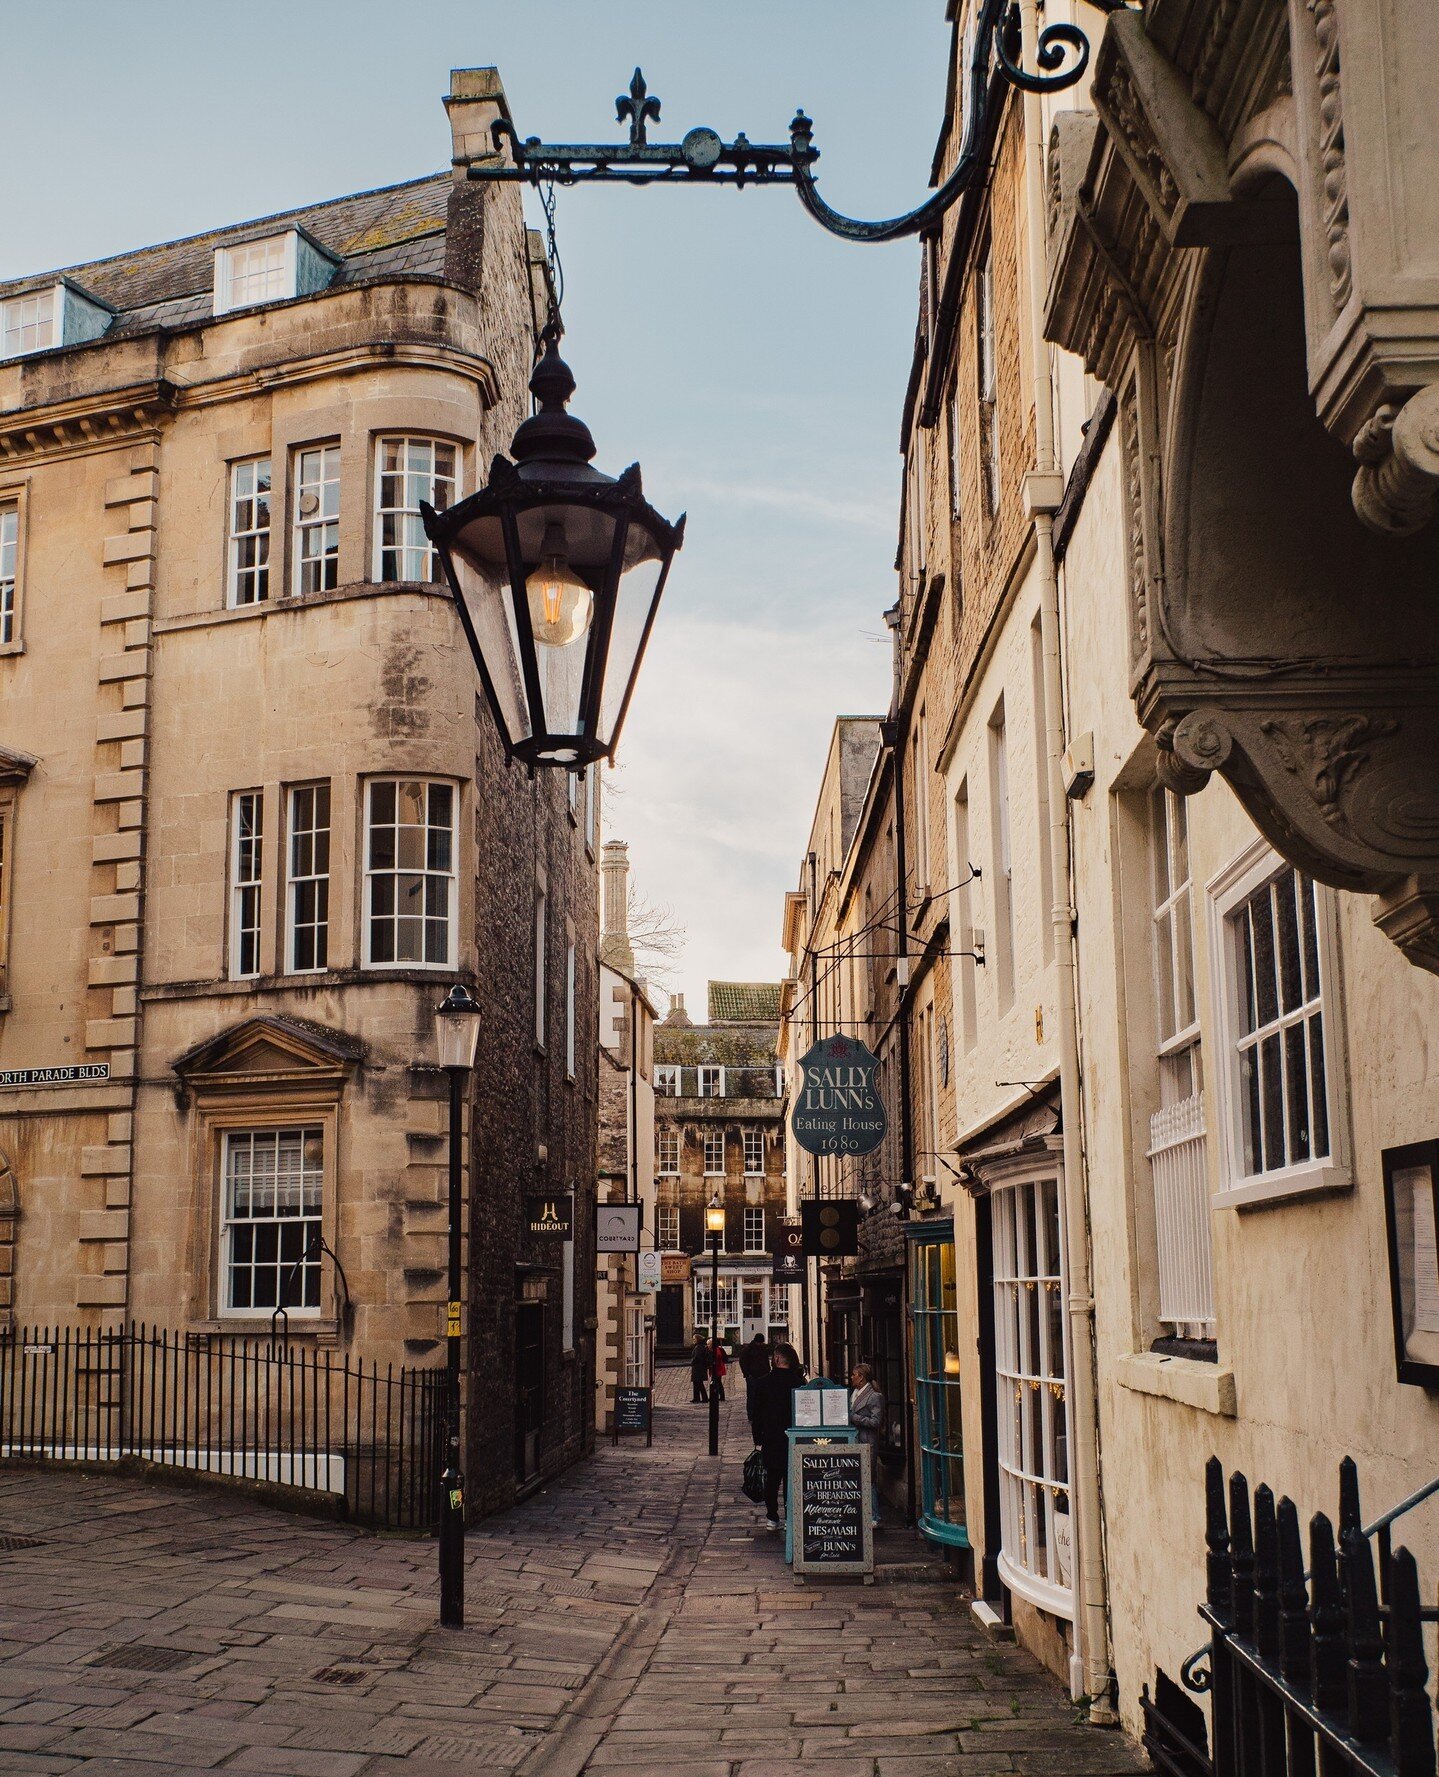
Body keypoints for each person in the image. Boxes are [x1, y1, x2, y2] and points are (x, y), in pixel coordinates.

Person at [750, 1341, 806, 1530]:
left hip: (772, 1438)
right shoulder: (799, 1383)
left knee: (772, 1481)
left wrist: (757, 1440)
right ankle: (790, 1516)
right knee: (793, 1479)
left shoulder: (763, 1383)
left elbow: (756, 1416)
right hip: (795, 1438)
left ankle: (772, 1517)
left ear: (776, 1359)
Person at [849, 1362, 886, 1522]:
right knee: (857, 1477)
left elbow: (876, 1422)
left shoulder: (874, 1396)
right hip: (856, 1440)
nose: (851, 1377)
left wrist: (855, 1418)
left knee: (868, 1478)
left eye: (854, 1375)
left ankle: (874, 1515)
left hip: (867, 1441)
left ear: (862, 1377)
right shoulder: (855, 1392)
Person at [738, 1333, 771, 1438]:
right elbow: (742, 1362)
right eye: (760, 1342)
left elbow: (766, 1361)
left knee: (763, 1396)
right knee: (752, 1396)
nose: (761, 1344)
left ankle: (761, 1413)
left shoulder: (763, 1349)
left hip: (763, 1376)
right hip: (752, 1376)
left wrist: (768, 1371)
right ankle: (751, 1415)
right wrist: (747, 1374)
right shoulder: (748, 1350)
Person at [689, 1331, 710, 1403]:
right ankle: (696, 1398)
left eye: (694, 1339)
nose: (693, 1340)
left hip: (698, 1368)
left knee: (699, 1383)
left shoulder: (698, 1347)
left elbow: (697, 1357)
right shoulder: (701, 1346)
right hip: (700, 1367)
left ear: (698, 1339)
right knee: (696, 1383)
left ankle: (704, 1398)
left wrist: (692, 1362)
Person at [710, 1337, 728, 1402]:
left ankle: (717, 1396)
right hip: (719, 1367)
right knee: (718, 1382)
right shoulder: (719, 1349)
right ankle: (719, 1395)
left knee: (717, 1382)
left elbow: (719, 1357)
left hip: (718, 1367)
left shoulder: (716, 1350)